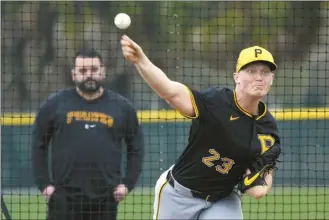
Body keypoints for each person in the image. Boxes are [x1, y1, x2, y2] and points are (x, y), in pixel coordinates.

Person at [120, 35, 281, 220]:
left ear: (272, 78)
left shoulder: (268, 128)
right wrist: (141, 60)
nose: (259, 77)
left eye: (265, 72)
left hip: (223, 199)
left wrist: (260, 186)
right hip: (178, 195)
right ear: (236, 76)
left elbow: (262, 180)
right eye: (251, 71)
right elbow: (170, 92)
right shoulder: (216, 102)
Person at [31, 49, 144, 220]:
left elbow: (136, 148)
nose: (89, 75)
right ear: (73, 74)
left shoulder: (122, 107)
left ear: (103, 72)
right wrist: (44, 185)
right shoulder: (54, 105)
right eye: (83, 71)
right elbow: (38, 146)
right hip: (63, 199)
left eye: (94, 70)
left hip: (105, 199)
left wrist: (127, 184)